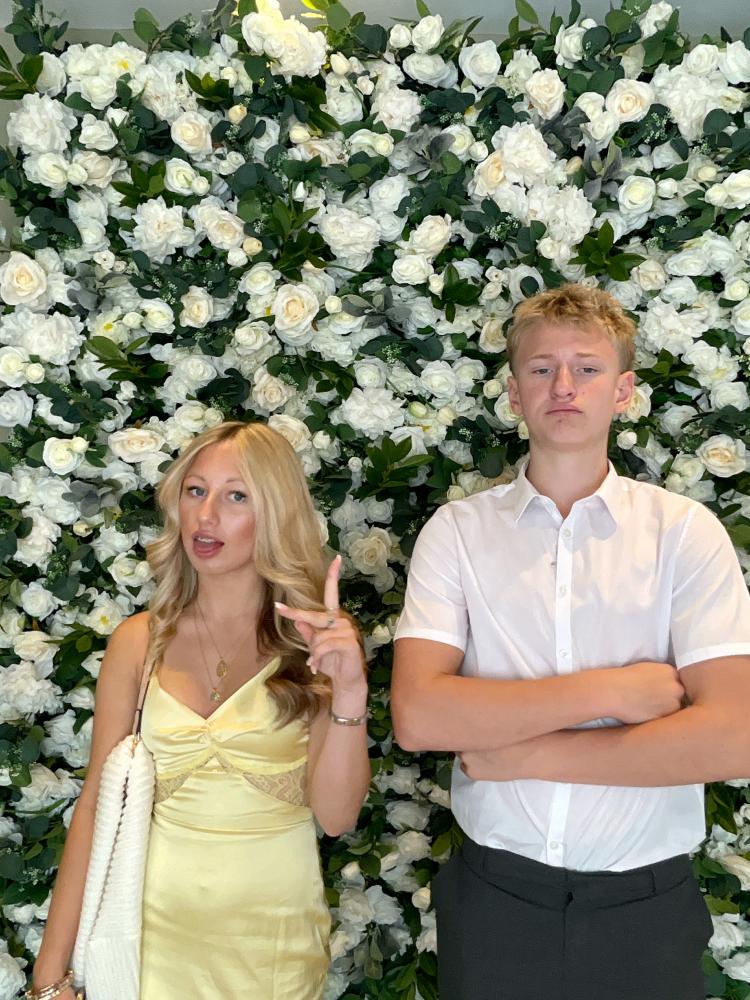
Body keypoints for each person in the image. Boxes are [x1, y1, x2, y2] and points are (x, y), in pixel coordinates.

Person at [391, 283, 750, 1000]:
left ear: (623, 391)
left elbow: (734, 736)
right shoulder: (458, 533)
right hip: (495, 902)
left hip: (645, 908)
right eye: (541, 368)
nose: (563, 386)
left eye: (586, 368)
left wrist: (527, 754)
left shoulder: (684, 534)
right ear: (514, 393)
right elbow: (420, 716)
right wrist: (610, 691)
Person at [30, 420, 371, 1000]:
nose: (206, 515)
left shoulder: (319, 642)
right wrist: (49, 976)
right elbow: (94, 806)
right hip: (147, 950)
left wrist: (350, 693)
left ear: (274, 514)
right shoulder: (141, 641)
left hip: (274, 956)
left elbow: (337, 818)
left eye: (236, 496)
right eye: (196, 490)